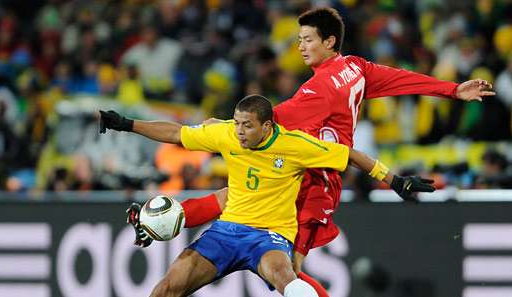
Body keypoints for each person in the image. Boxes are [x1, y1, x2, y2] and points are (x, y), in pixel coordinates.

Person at [127, 7, 496, 297]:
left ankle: (157, 222)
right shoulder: (355, 68)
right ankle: (157, 221)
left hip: (313, 179)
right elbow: (399, 79)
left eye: (307, 39)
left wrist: (219, 126)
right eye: (299, 39)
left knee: (291, 272)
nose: (300, 47)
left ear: (330, 41)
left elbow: (261, 123)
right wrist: (450, 90)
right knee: (237, 198)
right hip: (316, 171)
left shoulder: (317, 90)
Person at [99, 95, 435, 297]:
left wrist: (394, 180)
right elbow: (176, 132)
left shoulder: (295, 146)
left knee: (286, 278)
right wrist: (126, 124)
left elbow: (350, 155)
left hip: (270, 236)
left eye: (247, 125)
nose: (239, 131)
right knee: (167, 289)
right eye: (237, 123)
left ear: (267, 126)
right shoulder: (228, 134)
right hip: (225, 232)